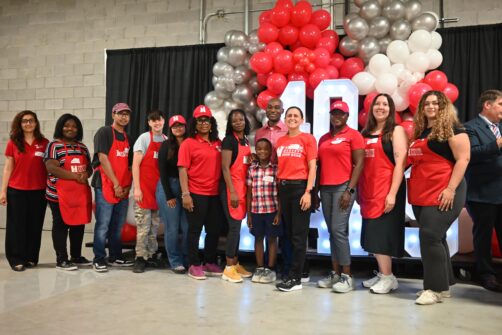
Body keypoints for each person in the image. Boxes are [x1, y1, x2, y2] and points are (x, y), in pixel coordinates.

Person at [408, 91, 470, 305]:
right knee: (438, 238)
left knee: (430, 236)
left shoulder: (455, 129)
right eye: (427, 103)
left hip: (445, 191)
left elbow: (463, 159)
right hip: (421, 192)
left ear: (444, 106)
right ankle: (444, 286)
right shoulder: (421, 131)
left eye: (436, 103)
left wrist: (451, 189)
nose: (431, 106)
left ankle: (433, 288)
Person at [359, 94, 408, 294]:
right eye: (377, 104)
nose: (380, 107)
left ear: (391, 109)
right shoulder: (365, 132)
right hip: (369, 189)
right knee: (371, 235)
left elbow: (400, 164)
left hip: (387, 189)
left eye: (385, 104)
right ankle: (384, 273)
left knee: (382, 235)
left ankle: (388, 277)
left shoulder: (396, 131)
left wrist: (392, 193)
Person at [315, 101, 364, 293]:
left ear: (347, 116)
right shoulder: (324, 138)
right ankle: (335, 273)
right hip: (325, 189)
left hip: (343, 187)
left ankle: (347, 275)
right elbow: (320, 166)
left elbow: (359, 164)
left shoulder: (354, 135)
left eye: (341, 113)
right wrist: (316, 191)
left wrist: (349, 190)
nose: (337, 116)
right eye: (334, 113)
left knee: (338, 230)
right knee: (332, 231)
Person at [178, 105, 223, 280]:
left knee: (214, 230)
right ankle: (194, 264)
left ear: (211, 123)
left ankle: (209, 262)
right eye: (200, 120)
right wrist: (185, 194)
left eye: (207, 120)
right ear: (195, 124)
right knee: (195, 230)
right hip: (196, 193)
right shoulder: (188, 144)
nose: (204, 123)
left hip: (215, 194)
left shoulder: (218, 143)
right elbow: (183, 170)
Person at [275, 106, 317, 292]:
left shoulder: (308, 139)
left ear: (301, 120)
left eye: (296, 116)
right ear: (285, 119)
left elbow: (312, 167)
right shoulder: (281, 141)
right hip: (284, 189)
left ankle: (296, 279)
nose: (292, 118)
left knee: (299, 237)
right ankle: (293, 273)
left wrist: (308, 191)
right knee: (289, 235)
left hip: (300, 189)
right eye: (289, 115)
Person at [464, 89, 502, 292]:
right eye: (501, 104)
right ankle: (486, 274)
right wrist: (498, 143)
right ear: (487, 105)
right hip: (481, 194)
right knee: (484, 236)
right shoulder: (470, 127)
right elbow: (472, 154)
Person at [1, 111, 49, 271]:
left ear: (36, 123)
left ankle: (30, 257)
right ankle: (16, 258)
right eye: (24, 121)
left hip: (39, 191)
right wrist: (3, 191)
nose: (28, 124)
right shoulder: (14, 143)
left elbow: (49, 167)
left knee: (34, 225)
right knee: (16, 226)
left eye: (31, 121)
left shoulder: (44, 143)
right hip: (17, 190)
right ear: (20, 124)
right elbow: (8, 168)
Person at [45, 114, 93, 270]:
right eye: (66, 125)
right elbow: (52, 167)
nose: (70, 129)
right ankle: (62, 259)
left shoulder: (82, 147)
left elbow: (90, 168)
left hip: (79, 194)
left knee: (78, 225)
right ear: (60, 127)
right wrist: (75, 177)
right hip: (58, 194)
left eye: (74, 126)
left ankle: (76, 256)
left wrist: (86, 174)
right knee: (61, 224)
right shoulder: (54, 146)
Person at [91, 103, 134, 272]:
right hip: (105, 184)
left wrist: (126, 186)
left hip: (123, 187)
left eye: (127, 114)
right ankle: (99, 258)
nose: (124, 117)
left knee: (118, 225)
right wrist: (116, 183)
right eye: (120, 113)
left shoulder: (129, 138)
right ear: (113, 115)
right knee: (103, 224)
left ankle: (115, 256)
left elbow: (130, 165)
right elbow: (103, 158)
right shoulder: (104, 132)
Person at [131, 110, 167, 273]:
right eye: (153, 121)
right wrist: (137, 188)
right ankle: (139, 258)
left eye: (158, 120)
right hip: (144, 191)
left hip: (158, 192)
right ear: (149, 124)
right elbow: (135, 165)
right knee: (143, 228)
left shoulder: (166, 141)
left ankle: (151, 256)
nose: (156, 123)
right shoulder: (144, 139)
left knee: (154, 228)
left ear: (163, 121)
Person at [220, 109, 253, 283]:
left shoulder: (245, 140)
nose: (238, 122)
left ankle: (235, 262)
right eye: (235, 120)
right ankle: (228, 268)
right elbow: (225, 168)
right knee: (233, 228)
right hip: (230, 188)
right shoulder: (229, 140)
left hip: (242, 187)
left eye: (241, 119)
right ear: (230, 124)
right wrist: (232, 191)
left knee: (238, 227)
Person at [157, 115, 189, 274]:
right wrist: (169, 196)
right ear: (170, 128)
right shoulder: (165, 145)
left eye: (180, 125)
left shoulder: (191, 143)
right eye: (174, 126)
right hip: (168, 186)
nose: (178, 128)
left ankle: (187, 258)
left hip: (187, 188)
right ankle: (175, 261)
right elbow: (162, 171)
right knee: (173, 227)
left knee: (187, 226)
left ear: (185, 126)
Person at [247, 138, 281, 284]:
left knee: (272, 239)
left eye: (265, 149)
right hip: (256, 210)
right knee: (258, 238)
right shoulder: (252, 169)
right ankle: (260, 267)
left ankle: (271, 268)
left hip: (272, 210)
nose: (262, 151)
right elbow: (249, 193)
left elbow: (280, 192)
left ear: (271, 151)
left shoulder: (275, 169)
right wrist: (249, 214)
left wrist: (279, 213)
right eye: (259, 149)